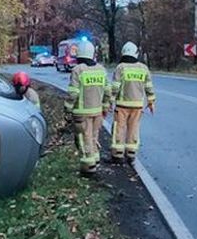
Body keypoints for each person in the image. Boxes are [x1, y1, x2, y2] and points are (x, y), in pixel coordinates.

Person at [63, 40, 112, 176]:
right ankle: (95, 160)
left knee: (84, 139)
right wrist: (105, 106)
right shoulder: (101, 70)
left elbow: (73, 93)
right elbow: (107, 91)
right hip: (97, 112)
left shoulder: (78, 70)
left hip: (81, 113)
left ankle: (88, 167)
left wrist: (67, 108)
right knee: (94, 136)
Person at [110, 42, 155, 164]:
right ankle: (131, 153)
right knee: (134, 129)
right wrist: (151, 102)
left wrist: (109, 102)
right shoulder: (143, 68)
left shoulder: (121, 68)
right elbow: (149, 87)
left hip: (122, 105)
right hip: (137, 106)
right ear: (136, 53)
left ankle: (118, 155)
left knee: (119, 129)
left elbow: (115, 88)